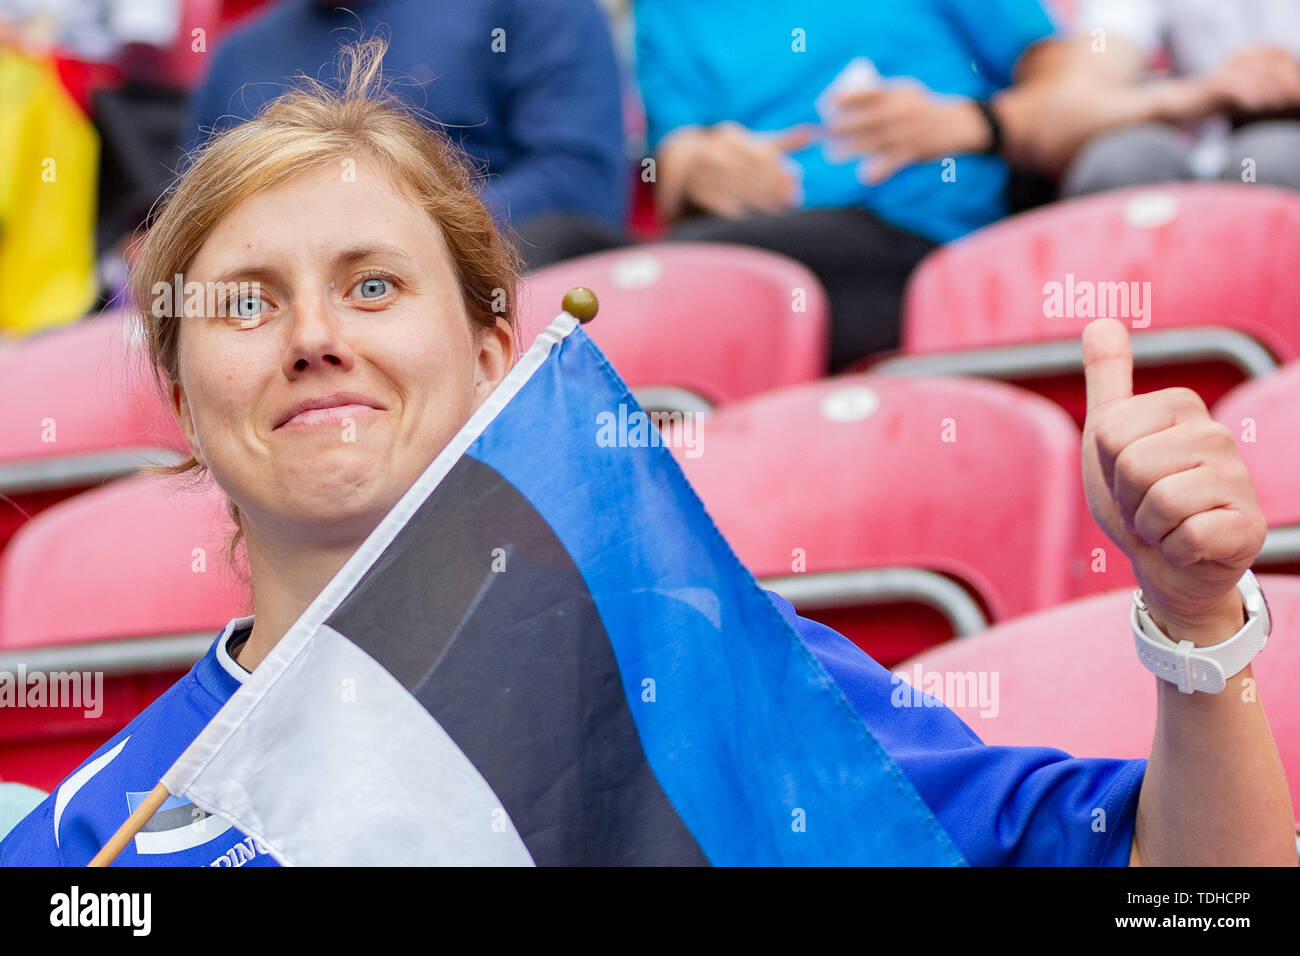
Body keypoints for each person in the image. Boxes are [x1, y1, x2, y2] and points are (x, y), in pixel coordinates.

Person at [1, 37, 1294, 867]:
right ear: (175, 392)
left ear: (492, 348)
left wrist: (1195, 625)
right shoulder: (97, 836)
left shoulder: (706, 670)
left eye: (377, 286)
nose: (314, 337)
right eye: (245, 303)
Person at [634, 0, 1077, 370]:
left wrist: (970, 122)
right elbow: (672, 168)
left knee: (670, 283)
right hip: (753, 238)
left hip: (919, 239)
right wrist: (698, 165)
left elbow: (1072, 94)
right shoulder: (664, 10)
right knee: (594, 260)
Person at [183, 0, 627, 270]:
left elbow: (580, 184)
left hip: (481, 299)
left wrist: (392, 241)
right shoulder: (236, 57)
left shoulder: (529, 9)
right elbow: (190, 229)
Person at [1046, 0, 1300, 195]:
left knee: (1269, 162)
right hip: (1194, 154)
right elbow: (1070, 110)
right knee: (1120, 165)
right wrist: (1201, 94)